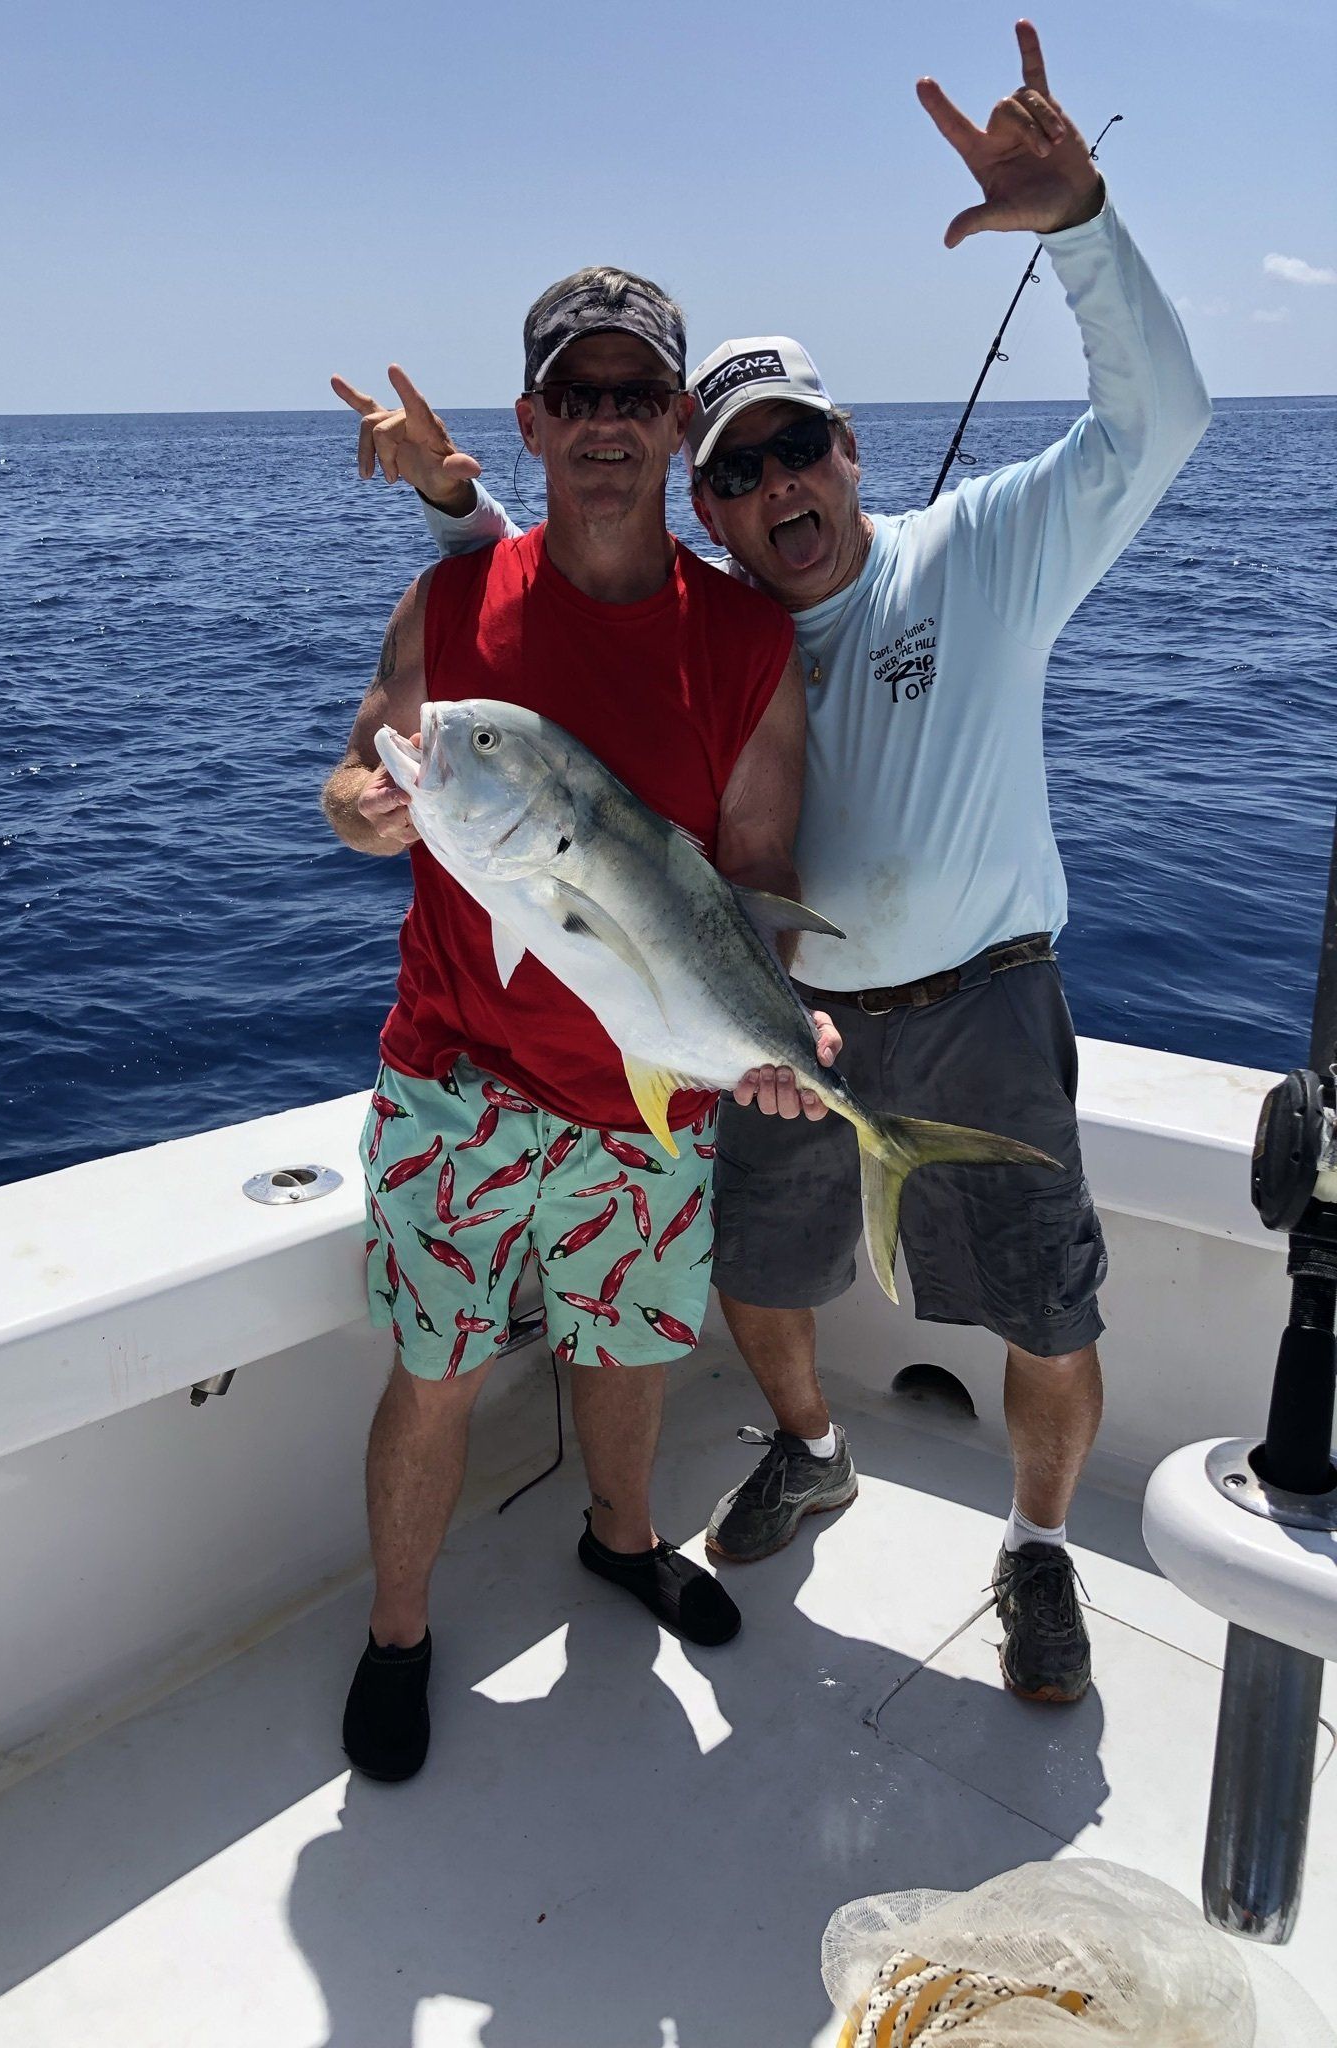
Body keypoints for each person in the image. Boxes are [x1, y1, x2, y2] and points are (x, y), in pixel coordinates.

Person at [342, 20, 1211, 1706]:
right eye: (739, 469)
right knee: (746, 1286)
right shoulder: (690, 618)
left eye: (793, 444)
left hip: (944, 1005)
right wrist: (446, 539)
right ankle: (796, 1453)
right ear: (704, 496)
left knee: (1037, 1302)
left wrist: (1080, 226)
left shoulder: (974, 556)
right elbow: (504, 679)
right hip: (734, 1032)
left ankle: (1034, 1557)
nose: (773, 480)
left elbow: (1156, 425)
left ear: (846, 450)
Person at [322, 268, 839, 1781]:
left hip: (648, 1096)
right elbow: (362, 771)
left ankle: (624, 1540)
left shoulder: (745, 643)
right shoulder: (452, 601)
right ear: (533, 420)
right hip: (455, 1079)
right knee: (437, 1370)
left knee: (627, 1354)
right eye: (580, 394)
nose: (608, 421)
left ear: (678, 424)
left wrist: (777, 1029)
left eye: (638, 395)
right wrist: (365, 811)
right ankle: (401, 1630)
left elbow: (756, 874)